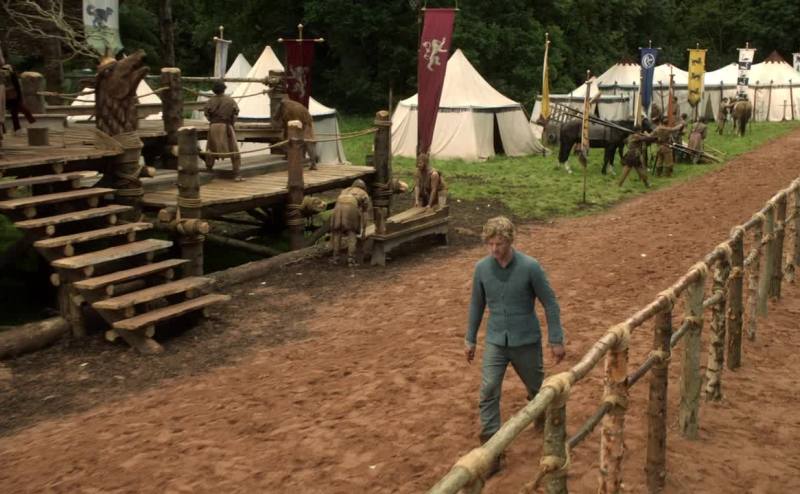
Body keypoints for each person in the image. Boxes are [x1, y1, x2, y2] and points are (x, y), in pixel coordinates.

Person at [464, 216, 565, 476]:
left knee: (537, 389)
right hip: (496, 341)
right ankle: (492, 449)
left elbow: (550, 302)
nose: (494, 249)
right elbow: (476, 304)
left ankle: (541, 415)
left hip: (526, 341)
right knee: (488, 390)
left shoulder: (530, 267)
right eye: (490, 244)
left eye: (499, 244)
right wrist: (470, 338)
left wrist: (556, 339)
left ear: (510, 241)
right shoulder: (482, 269)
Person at [203, 81, 243, 181]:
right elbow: (236, 112)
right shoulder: (230, 100)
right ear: (224, 89)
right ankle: (237, 174)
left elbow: (206, 114)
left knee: (210, 148)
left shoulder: (210, 101)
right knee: (233, 149)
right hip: (226, 126)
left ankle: (208, 170)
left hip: (213, 127)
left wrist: (212, 121)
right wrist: (232, 123)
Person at [330, 179, 372, 266]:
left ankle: (335, 258)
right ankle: (351, 259)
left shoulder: (345, 190)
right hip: (351, 206)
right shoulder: (364, 193)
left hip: (337, 207)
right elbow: (365, 212)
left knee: (337, 233)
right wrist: (364, 230)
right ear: (363, 187)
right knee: (352, 233)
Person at [273, 96, 318, 169]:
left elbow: (285, 122)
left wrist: (280, 127)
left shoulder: (285, 108)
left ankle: (313, 163)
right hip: (302, 122)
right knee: (304, 141)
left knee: (308, 142)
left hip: (305, 123)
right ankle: (304, 160)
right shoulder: (290, 105)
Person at [3, 62, 36, 136]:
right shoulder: (4, 78)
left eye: (6, 70)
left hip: (14, 98)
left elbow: (17, 88)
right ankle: (18, 129)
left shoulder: (13, 77)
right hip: (8, 98)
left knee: (20, 112)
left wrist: (19, 98)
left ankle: (20, 129)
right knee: (16, 113)